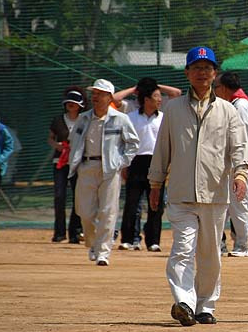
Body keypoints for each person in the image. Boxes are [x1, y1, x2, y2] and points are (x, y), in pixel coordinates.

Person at [149, 46, 248, 326]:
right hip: (181, 194)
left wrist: (240, 175)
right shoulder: (172, 109)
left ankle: (206, 305)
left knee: (210, 255)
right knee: (182, 248)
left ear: (214, 74)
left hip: (215, 195)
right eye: (196, 68)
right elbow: (162, 149)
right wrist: (155, 183)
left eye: (207, 68)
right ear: (187, 73)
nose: (202, 73)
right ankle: (185, 302)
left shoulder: (228, 111)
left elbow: (239, 148)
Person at [68, 79, 139, 266]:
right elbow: (73, 140)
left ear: (110, 97)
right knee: (84, 212)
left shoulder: (121, 119)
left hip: (110, 169)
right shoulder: (83, 118)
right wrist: (74, 162)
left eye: (100, 93)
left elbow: (133, 143)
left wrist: (121, 162)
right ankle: (92, 243)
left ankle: (103, 253)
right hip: (86, 167)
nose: (96, 97)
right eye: (94, 93)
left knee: (108, 211)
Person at [214, 70, 248, 257]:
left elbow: (240, 139)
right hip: (232, 163)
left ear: (224, 88)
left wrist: (245, 165)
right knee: (225, 204)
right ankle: (220, 243)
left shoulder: (239, 106)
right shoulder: (240, 104)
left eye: (216, 87)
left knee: (238, 204)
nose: (214, 91)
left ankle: (242, 245)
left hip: (236, 164)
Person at [117, 79, 166, 252]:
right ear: (146, 99)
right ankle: (129, 239)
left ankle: (153, 241)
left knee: (156, 204)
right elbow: (123, 143)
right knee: (132, 203)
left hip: (157, 163)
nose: (159, 99)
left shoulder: (164, 118)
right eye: (155, 96)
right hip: (135, 162)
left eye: (160, 96)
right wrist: (124, 165)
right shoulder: (130, 117)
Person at [49, 87, 86, 243]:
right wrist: (56, 145)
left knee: (78, 198)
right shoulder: (58, 120)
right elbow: (50, 138)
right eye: (68, 103)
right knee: (59, 196)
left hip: (78, 163)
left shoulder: (85, 119)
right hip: (60, 162)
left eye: (74, 103)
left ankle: (75, 232)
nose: (71, 105)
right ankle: (59, 233)